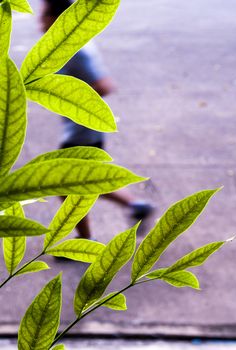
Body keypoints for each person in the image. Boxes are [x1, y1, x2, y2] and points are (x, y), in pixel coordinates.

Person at [40, 0, 154, 239]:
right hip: (82, 131)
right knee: (86, 182)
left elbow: (104, 86)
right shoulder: (69, 46)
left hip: (81, 132)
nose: (39, 21)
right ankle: (135, 205)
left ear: (57, 18)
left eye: (43, 15)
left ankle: (83, 243)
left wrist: (70, 99)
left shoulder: (76, 51)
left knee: (66, 187)